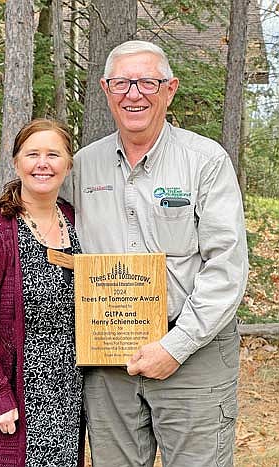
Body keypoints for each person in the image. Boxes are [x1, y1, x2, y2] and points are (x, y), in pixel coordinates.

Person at [60, 40, 249, 467]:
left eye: (148, 81)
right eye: (123, 83)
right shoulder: (82, 167)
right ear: (106, 89)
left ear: (170, 89)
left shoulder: (205, 161)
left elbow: (227, 266)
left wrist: (176, 346)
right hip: (108, 358)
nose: (134, 93)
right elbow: (38, 220)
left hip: (192, 354)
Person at [0, 119, 83, 467]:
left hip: (65, 393)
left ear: (68, 164)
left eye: (53, 154)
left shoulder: (77, 221)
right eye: (33, 154)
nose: (43, 163)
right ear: (16, 162)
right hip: (8, 396)